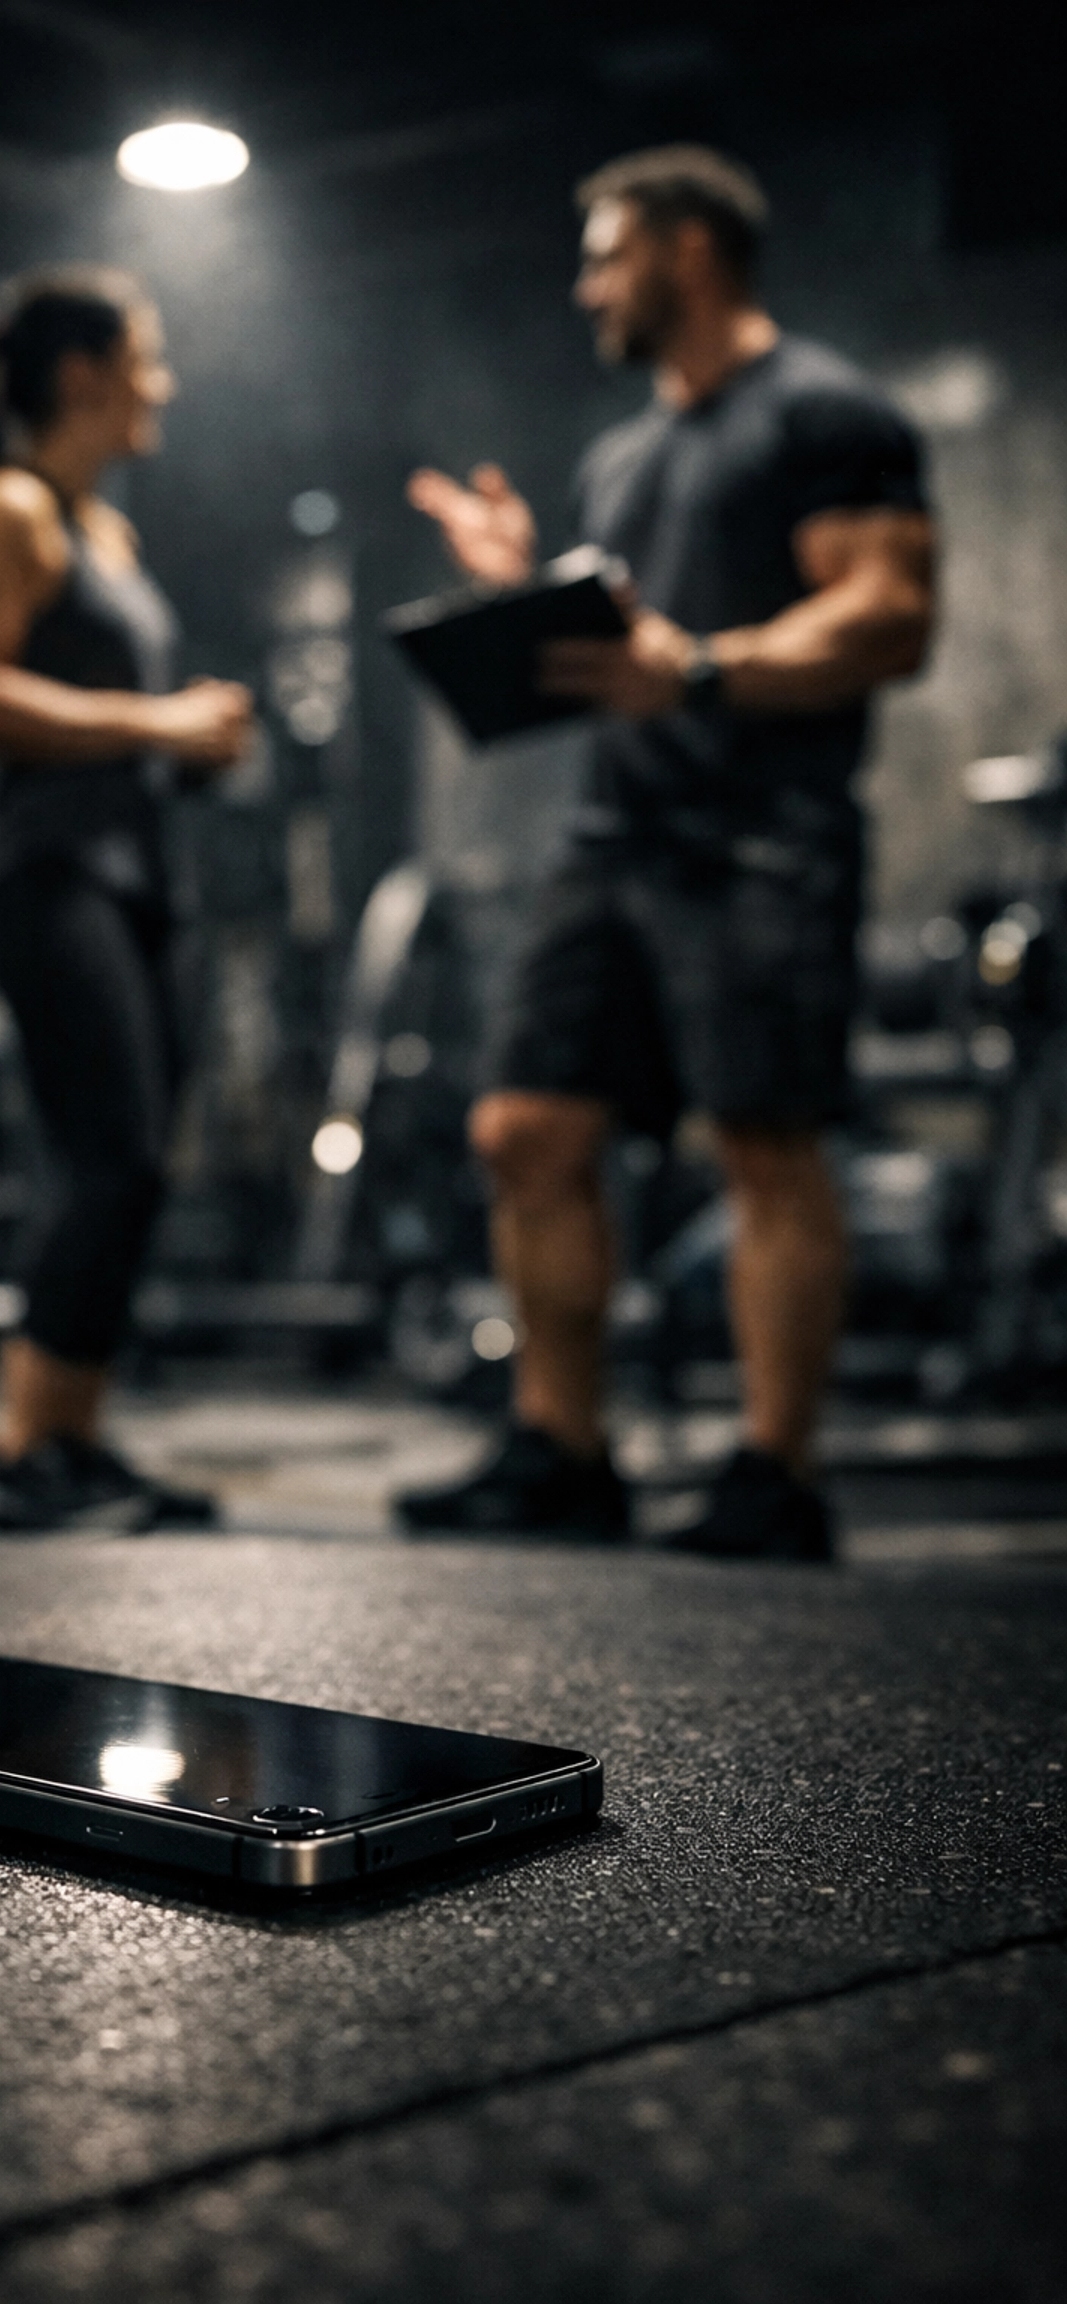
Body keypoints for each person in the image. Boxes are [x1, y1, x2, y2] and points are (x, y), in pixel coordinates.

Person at [395, 147, 936, 1560]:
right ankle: (565, 1450)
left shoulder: (825, 411)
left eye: (606, 253)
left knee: (764, 1142)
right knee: (527, 1130)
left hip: (762, 831)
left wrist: (698, 671)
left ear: (689, 251)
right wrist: (521, 591)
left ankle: (777, 1473)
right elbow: (615, 645)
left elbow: (888, 616)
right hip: (615, 830)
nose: (586, 285)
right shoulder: (624, 452)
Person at [0, 267, 253, 1530]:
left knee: (132, 1165)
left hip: (129, 875)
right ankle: (20, 1450)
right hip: (43, 877)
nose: (161, 384)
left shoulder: (108, 532)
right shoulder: (5, 508)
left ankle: (72, 1436)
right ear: (83, 376)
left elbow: (111, 718)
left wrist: (190, 740)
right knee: (104, 1155)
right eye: (146, 359)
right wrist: (154, 721)